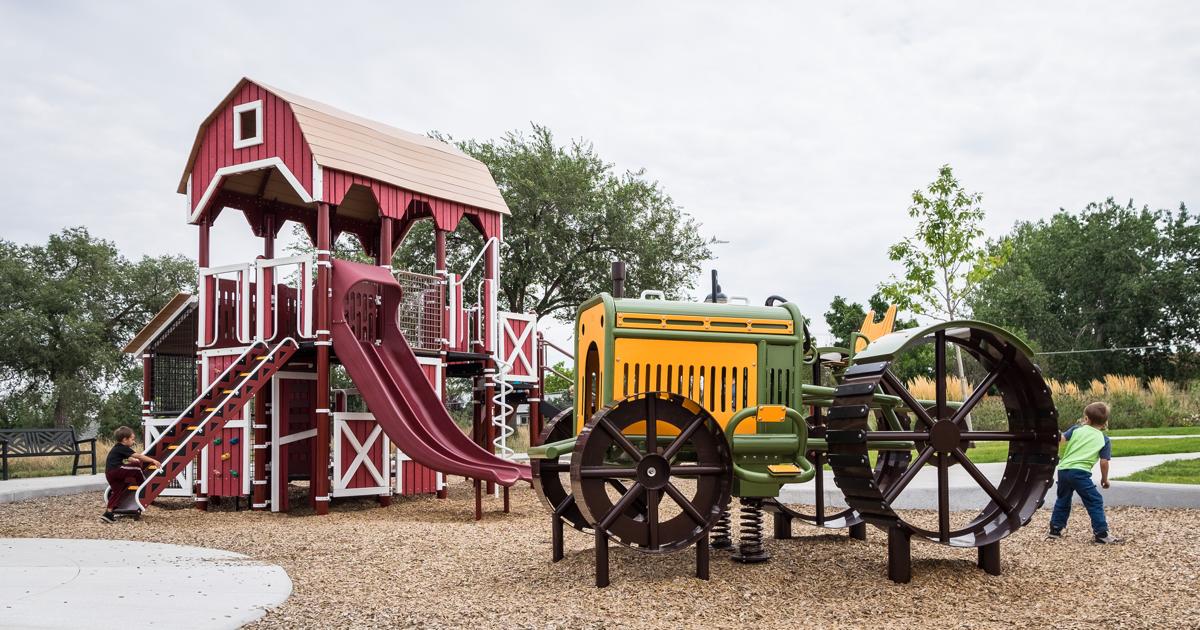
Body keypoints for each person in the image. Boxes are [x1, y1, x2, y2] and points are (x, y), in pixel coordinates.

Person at [1047, 402, 1121, 543]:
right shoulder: (1104, 439)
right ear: (1105, 422)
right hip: (1079, 473)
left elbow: (1060, 439)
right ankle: (1101, 534)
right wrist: (1105, 479)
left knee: (1063, 499)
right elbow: (1104, 462)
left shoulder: (1076, 429)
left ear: (1086, 419)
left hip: (1063, 470)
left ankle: (1055, 529)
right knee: (1094, 500)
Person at [100, 426, 160, 523]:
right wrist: (153, 460)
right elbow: (139, 456)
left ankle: (108, 513)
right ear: (125, 439)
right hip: (116, 470)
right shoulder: (122, 447)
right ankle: (144, 486)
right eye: (132, 439)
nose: (133, 441)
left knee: (117, 492)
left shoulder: (118, 448)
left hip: (110, 473)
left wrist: (133, 459)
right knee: (136, 468)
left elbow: (128, 457)